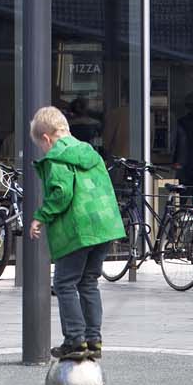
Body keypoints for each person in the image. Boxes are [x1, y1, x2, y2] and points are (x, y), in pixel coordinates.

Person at [28, 103, 126, 363]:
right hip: (104, 227)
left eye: (41, 146)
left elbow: (61, 193)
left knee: (64, 283)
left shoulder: (57, 157)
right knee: (89, 282)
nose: (44, 151)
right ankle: (93, 340)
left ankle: (74, 340)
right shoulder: (90, 153)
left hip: (79, 230)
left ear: (47, 138)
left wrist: (40, 217)